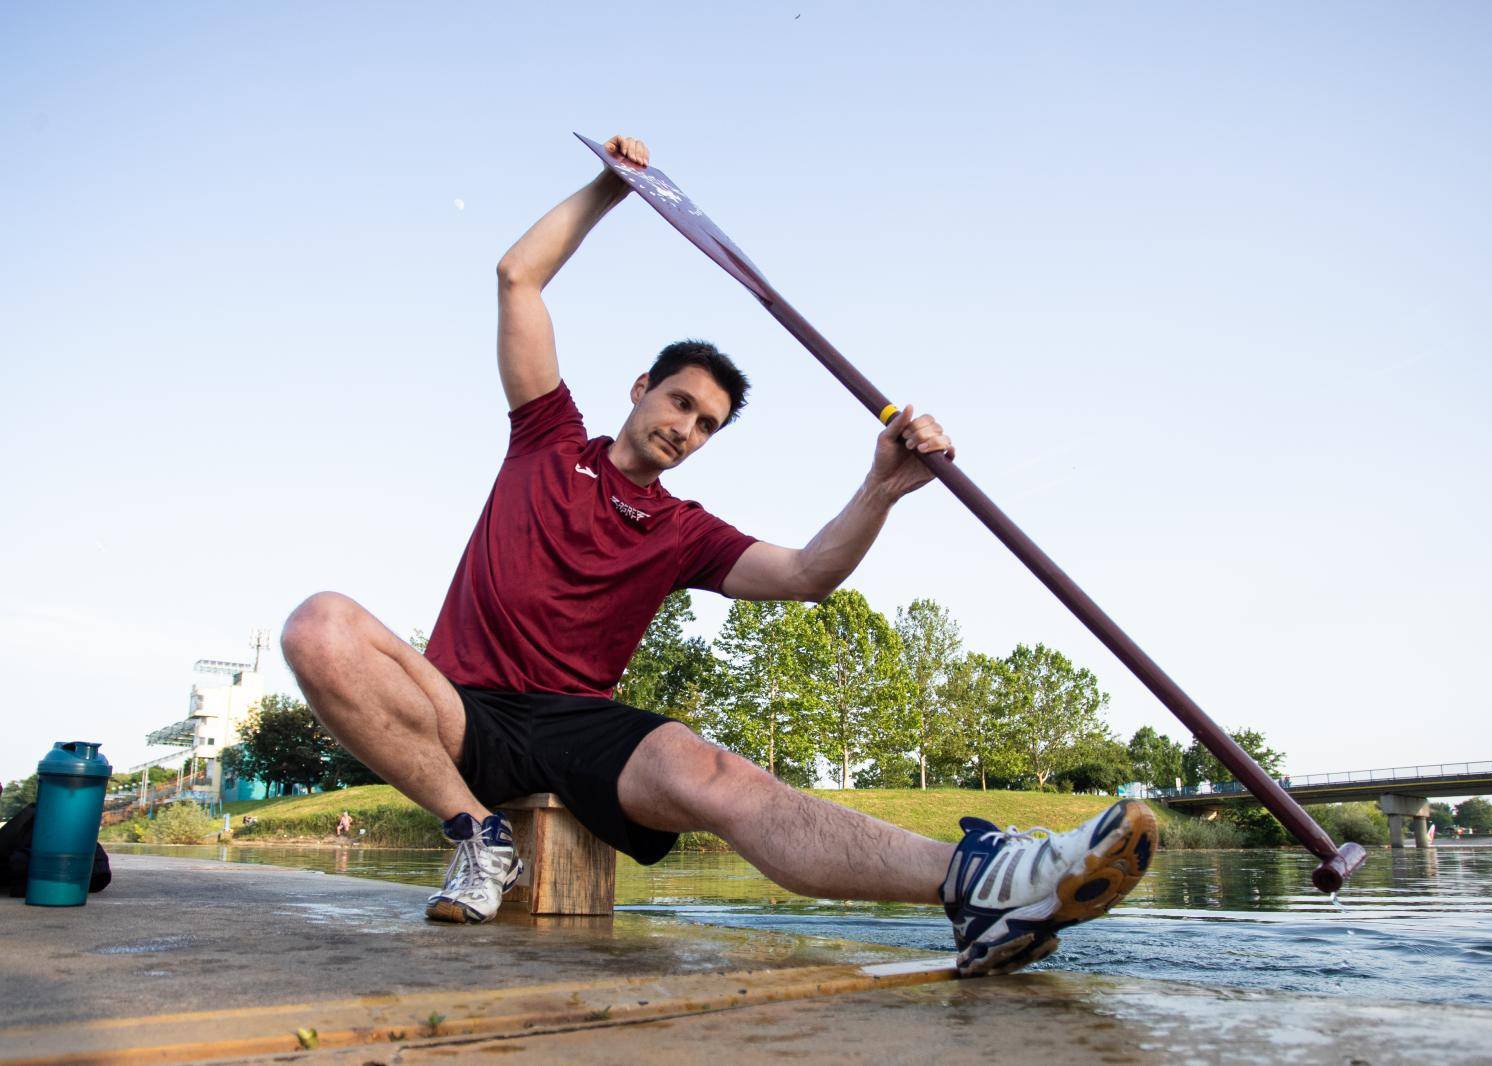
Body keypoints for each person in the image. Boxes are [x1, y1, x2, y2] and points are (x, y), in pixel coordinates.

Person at [281, 134, 1156, 977]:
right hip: (461, 710)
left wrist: (882, 488)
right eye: (679, 402)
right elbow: (519, 277)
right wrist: (614, 190)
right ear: (640, 389)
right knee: (321, 624)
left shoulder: (682, 529)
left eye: (706, 424)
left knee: (719, 776)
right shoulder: (547, 440)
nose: (686, 429)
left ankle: (980, 887)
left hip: (578, 723)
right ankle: (477, 835)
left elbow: (810, 575)